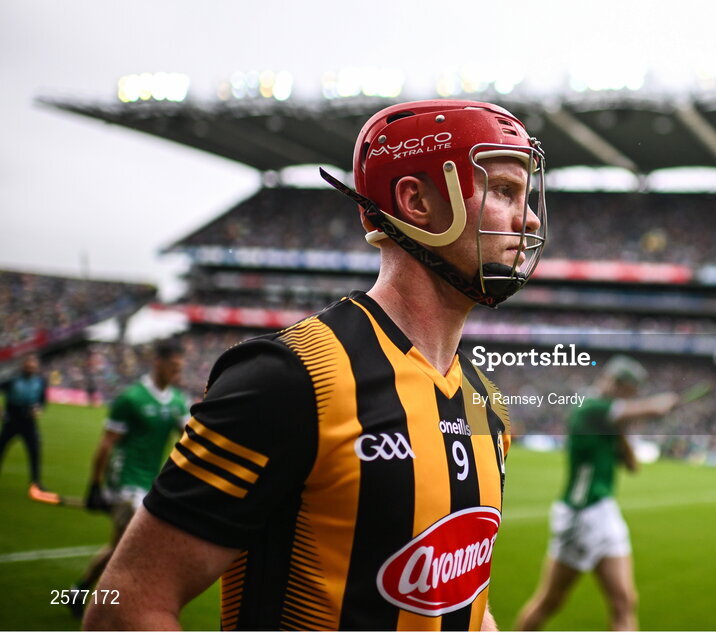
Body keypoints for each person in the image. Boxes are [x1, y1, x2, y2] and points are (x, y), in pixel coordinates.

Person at [85, 100, 547, 631]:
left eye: (527, 196)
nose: (529, 216)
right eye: (506, 191)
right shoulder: (288, 378)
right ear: (415, 200)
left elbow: (464, 604)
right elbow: (127, 603)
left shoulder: (486, 406)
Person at [516, 356, 679, 631]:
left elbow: (631, 465)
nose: (631, 398)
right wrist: (664, 402)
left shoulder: (608, 419)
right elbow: (650, 409)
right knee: (550, 601)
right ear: (619, 385)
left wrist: (621, 430)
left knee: (625, 602)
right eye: (630, 392)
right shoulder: (589, 406)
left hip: (604, 511)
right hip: (581, 514)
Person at [68, 340, 189, 618]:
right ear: (158, 361)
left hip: (150, 481)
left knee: (120, 548)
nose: (176, 372)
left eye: (179, 368)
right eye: (172, 366)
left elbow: (189, 440)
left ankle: (80, 590)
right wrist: (95, 485)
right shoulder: (131, 398)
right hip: (124, 479)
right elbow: (106, 444)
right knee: (136, 548)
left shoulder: (176, 401)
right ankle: (116, 609)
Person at [0, 354, 57, 501]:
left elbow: (43, 401)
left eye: (33, 365)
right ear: (23, 365)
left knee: (35, 451)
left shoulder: (40, 381)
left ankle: (35, 484)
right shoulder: (12, 379)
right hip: (11, 420)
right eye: (28, 364)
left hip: (28, 422)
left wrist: (38, 409)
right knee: (1, 448)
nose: (31, 367)